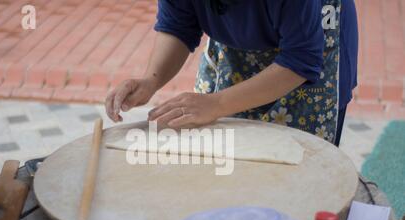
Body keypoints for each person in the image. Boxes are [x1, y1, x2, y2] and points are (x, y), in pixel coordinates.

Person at [105, 0, 358, 146]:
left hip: (311, 48)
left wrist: (216, 104)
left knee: (299, 184)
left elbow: (301, 59)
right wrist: (150, 81)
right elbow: (179, 25)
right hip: (237, 50)